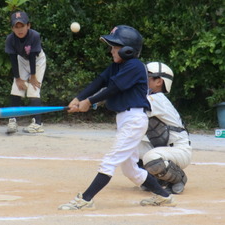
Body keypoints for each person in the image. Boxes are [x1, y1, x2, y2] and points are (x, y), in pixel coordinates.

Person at [58, 25, 176, 210]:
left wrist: (89, 101)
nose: (112, 50)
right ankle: (163, 196)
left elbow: (113, 89)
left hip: (134, 119)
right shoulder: (116, 66)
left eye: (115, 46)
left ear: (128, 50)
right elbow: (100, 82)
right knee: (130, 170)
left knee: (109, 160)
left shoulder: (135, 66)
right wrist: (79, 98)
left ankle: (86, 199)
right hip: (126, 120)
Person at [138, 62, 192, 194]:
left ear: (159, 82)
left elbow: (129, 102)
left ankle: (178, 178)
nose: (141, 79)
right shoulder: (150, 97)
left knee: (151, 158)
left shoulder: (158, 99)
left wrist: (95, 99)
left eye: (148, 76)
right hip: (164, 149)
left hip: (179, 151)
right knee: (128, 150)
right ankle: (158, 179)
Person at [5, 11, 46, 134]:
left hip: (38, 60)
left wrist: (33, 76)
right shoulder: (10, 39)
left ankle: (37, 123)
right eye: (16, 27)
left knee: (34, 89)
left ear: (28, 25)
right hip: (21, 60)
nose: (19, 29)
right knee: (16, 88)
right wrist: (17, 78)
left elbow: (33, 56)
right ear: (12, 28)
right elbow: (13, 59)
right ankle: (12, 120)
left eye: (22, 26)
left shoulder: (34, 35)